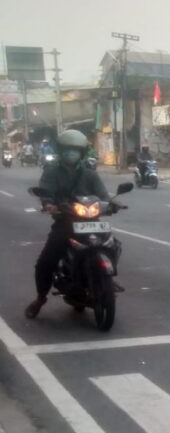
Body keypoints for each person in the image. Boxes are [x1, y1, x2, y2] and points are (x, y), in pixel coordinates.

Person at [25, 130, 118, 319]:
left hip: (91, 220)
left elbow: (103, 194)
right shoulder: (52, 172)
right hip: (65, 222)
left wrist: (112, 203)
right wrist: (49, 205)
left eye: (75, 150)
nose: (71, 153)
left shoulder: (89, 173)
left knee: (112, 245)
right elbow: (46, 193)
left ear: (81, 152)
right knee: (46, 261)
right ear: (61, 151)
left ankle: (106, 277)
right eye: (67, 149)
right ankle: (40, 298)